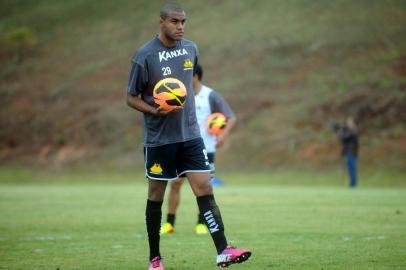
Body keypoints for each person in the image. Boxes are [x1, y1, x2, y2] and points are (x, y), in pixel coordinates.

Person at [126, 3, 251, 269]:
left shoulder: (190, 49)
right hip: (159, 139)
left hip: (191, 136)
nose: (180, 26)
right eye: (174, 21)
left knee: (204, 187)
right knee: (156, 194)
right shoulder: (144, 56)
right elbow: (131, 97)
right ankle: (155, 259)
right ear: (161, 22)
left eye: (183, 22)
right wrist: (154, 110)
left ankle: (223, 250)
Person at [160, 63, 237, 235]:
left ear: (195, 76)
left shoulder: (211, 95)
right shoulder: (179, 95)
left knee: (204, 187)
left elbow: (230, 117)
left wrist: (222, 134)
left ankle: (201, 223)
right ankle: (169, 223)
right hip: (182, 147)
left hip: (205, 149)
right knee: (176, 183)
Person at [333, 116, 359, 187]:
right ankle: (352, 183)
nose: (349, 123)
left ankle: (353, 184)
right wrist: (339, 129)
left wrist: (340, 131)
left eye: (350, 122)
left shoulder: (353, 131)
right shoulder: (348, 130)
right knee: (349, 168)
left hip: (351, 152)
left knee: (352, 168)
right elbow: (342, 138)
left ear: (353, 123)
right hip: (348, 152)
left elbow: (344, 137)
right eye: (348, 122)